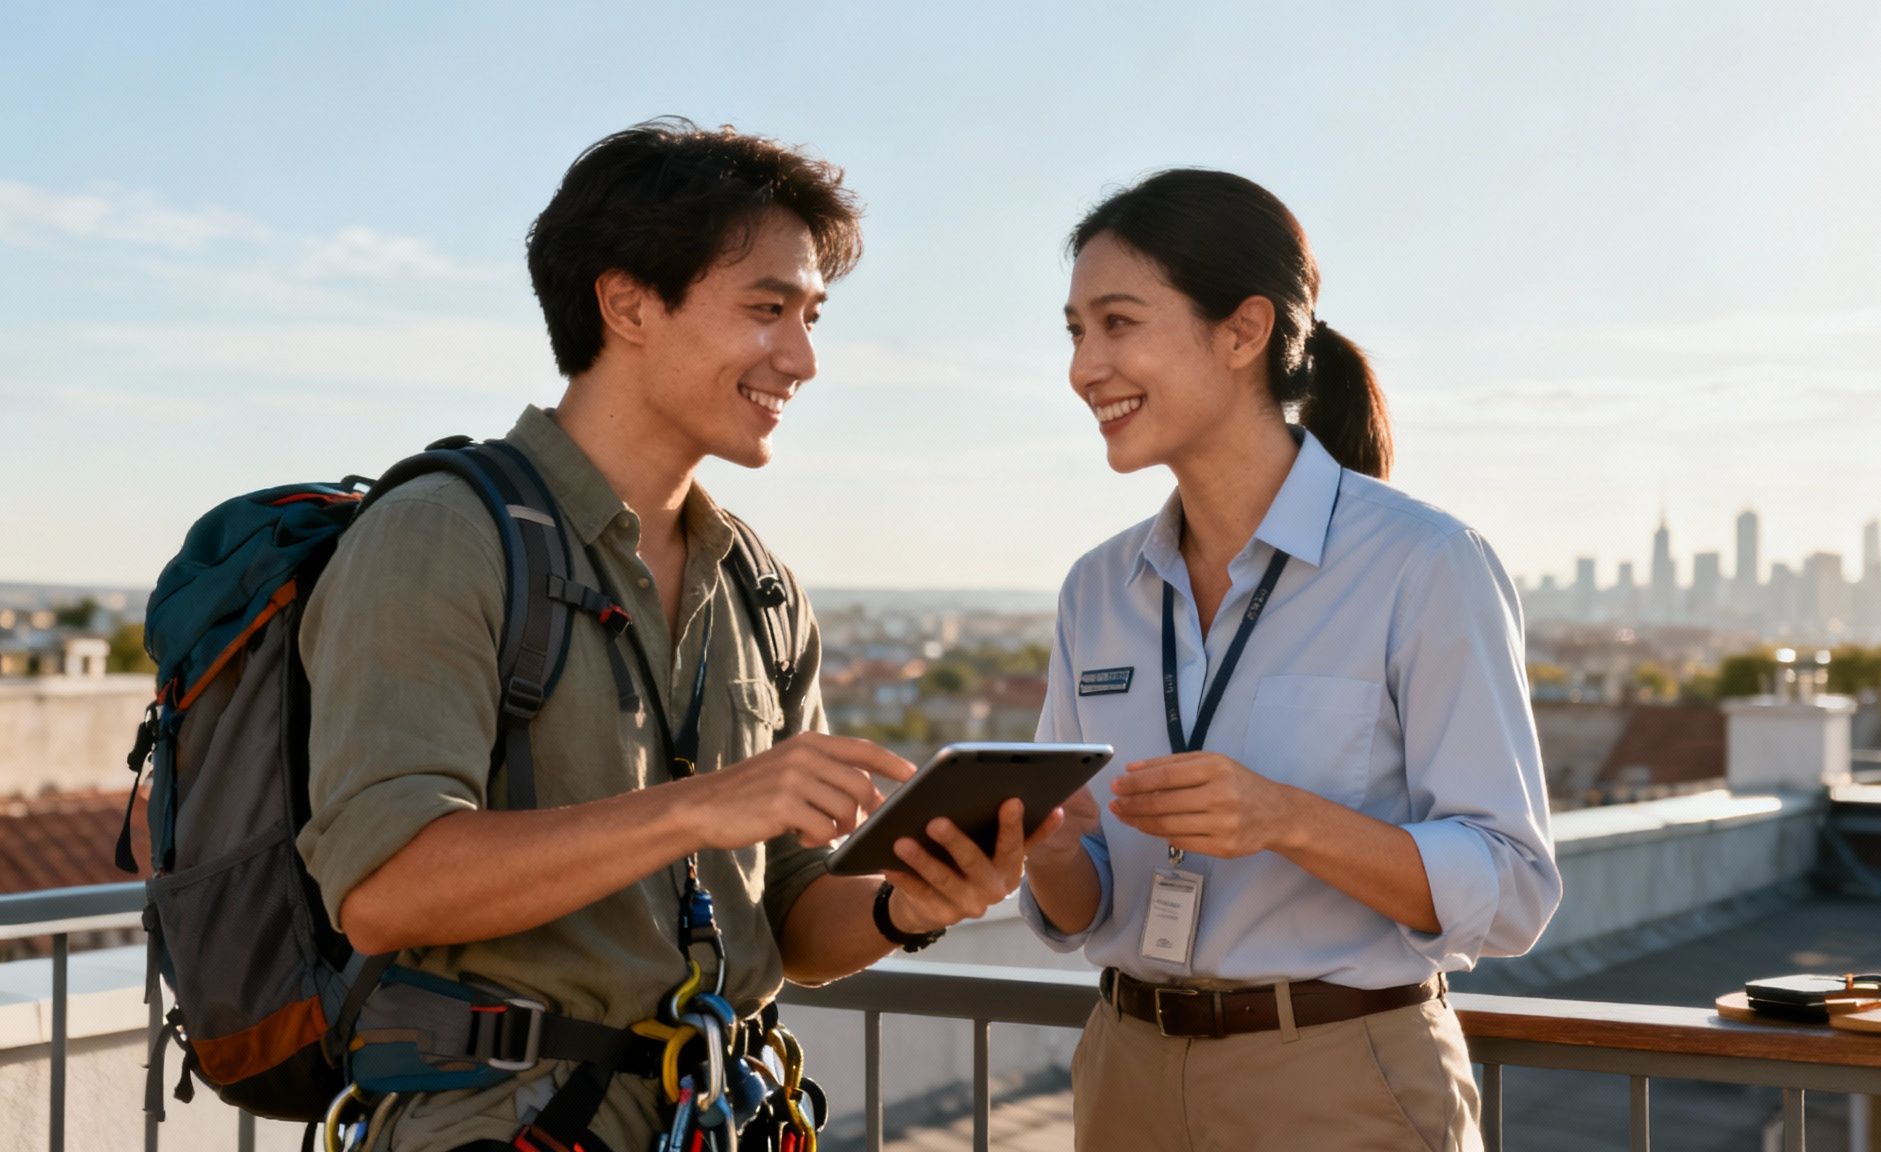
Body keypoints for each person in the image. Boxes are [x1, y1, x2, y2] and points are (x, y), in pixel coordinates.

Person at [296, 119, 1053, 1152]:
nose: (804, 357)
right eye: (766, 309)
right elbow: (384, 893)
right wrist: (703, 806)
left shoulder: (761, 586)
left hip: (717, 1114)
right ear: (627, 304)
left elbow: (789, 919)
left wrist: (907, 907)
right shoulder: (440, 533)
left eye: (812, 315)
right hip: (499, 1121)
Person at [1020, 169, 1563, 1151]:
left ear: (1241, 332)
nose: (1082, 367)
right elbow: (1087, 896)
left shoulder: (1422, 563)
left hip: (1339, 1080)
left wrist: (1283, 819)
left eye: (1116, 323)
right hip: (1123, 1073)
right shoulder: (1094, 591)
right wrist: (1051, 850)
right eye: (1073, 331)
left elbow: (1513, 886)